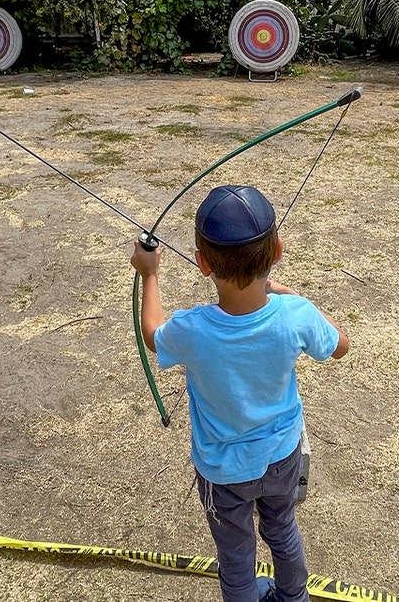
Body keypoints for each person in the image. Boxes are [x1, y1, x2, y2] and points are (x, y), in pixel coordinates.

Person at [130, 185, 349, 602]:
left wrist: (151, 274)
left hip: (223, 470)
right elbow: (340, 346)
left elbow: (154, 335)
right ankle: (293, 598)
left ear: (201, 262)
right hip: (282, 455)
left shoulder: (193, 329)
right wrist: (288, 295)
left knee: (235, 554)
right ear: (278, 250)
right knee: (282, 530)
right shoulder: (296, 314)